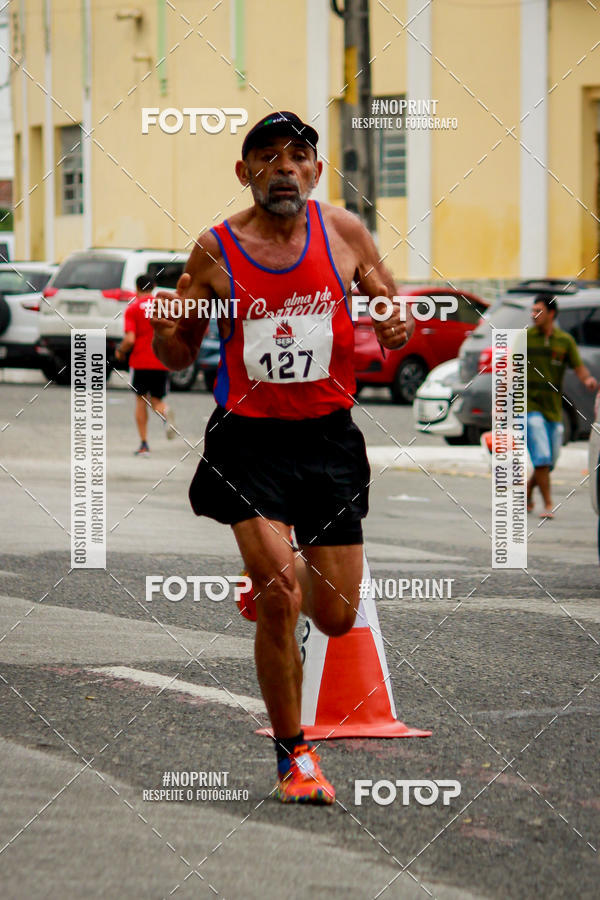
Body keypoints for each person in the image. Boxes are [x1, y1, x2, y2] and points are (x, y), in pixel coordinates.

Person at [149, 111, 413, 804]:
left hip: (328, 439)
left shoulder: (345, 234)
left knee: (335, 615)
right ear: (245, 173)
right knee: (277, 600)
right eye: (267, 157)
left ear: (317, 171)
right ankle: (295, 757)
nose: (284, 168)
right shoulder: (216, 249)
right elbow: (177, 354)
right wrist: (169, 332)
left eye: (298, 156)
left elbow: (394, 316)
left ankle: (281, 568)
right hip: (249, 440)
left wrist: (394, 325)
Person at [526, 293, 597, 518]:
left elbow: (578, 367)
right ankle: (548, 504)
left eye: (538, 311)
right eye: (532, 310)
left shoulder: (564, 341)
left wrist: (588, 380)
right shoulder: (525, 338)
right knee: (542, 455)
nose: (533, 315)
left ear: (551, 314)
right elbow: (510, 368)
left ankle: (527, 490)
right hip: (529, 406)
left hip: (553, 409)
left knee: (550, 460)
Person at [115, 274, 177, 454]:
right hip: (161, 360)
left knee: (141, 400)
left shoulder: (133, 309)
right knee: (157, 401)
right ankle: (165, 412)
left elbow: (130, 339)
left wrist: (120, 351)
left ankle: (144, 444)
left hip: (140, 362)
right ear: (154, 287)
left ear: (137, 288)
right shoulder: (163, 308)